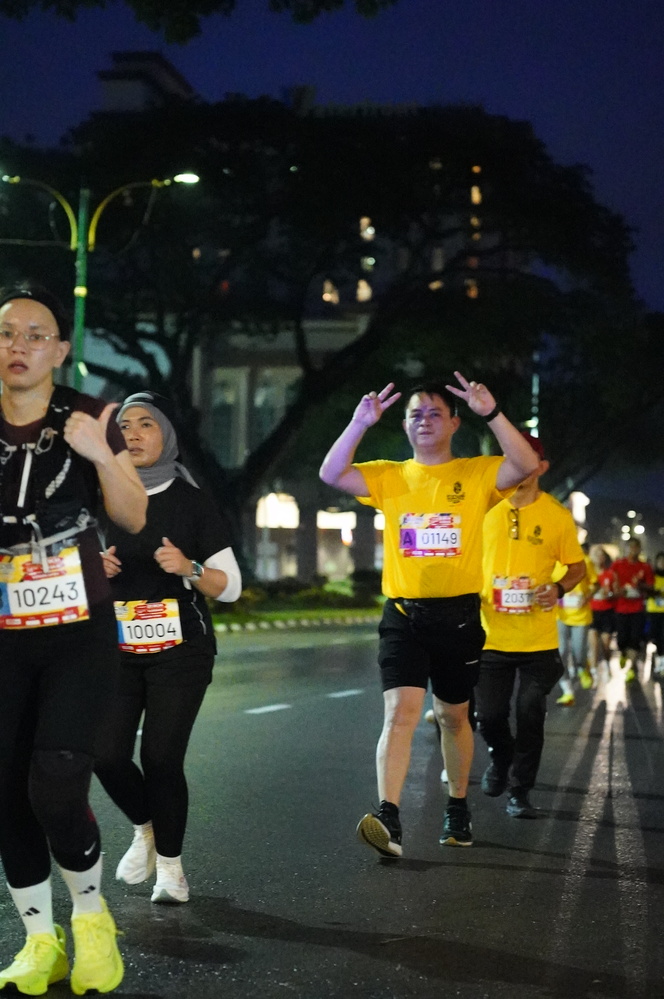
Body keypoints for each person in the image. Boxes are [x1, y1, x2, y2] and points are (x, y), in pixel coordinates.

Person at [319, 375, 539, 857]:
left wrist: (491, 412)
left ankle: (457, 806)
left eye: (435, 413)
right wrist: (359, 423)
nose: (424, 421)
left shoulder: (477, 473)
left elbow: (525, 464)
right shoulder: (389, 475)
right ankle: (389, 817)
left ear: (455, 423)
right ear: (403, 424)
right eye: (415, 414)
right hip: (403, 614)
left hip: (458, 618)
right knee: (399, 713)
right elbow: (332, 473)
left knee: (452, 716)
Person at [0, 284, 146, 996]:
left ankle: (90, 918)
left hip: (77, 630)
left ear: (59, 350)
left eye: (36, 335)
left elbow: (134, 516)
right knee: (5, 790)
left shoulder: (90, 416)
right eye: (7, 333)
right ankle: (39, 940)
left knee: (57, 782)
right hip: (3, 634)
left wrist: (102, 455)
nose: (19, 346)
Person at [94, 391, 242, 904]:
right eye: (124, 426)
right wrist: (92, 569)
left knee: (159, 757)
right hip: (115, 649)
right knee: (105, 754)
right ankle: (146, 829)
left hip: (181, 650)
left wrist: (189, 568)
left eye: (146, 425)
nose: (133, 434)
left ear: (167, 435)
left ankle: (172, 871)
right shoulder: (102, 495)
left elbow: (232, 586)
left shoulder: (191, 501)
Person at [476, 434, 585, 818]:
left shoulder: (556, 515)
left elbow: (577, 568)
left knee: (529, 711)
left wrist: (557, 588)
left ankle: (520, 791)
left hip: (538, 640)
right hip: (490, 636)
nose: (518, 465)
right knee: (489, 716)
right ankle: (500, 757)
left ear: (541, 466)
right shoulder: (485, 507)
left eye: (526, 459)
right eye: (511, 457)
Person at [555, 542, 597, 705]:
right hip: (560, 615)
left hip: (581, 616)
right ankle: (567, 691)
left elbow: (596, 584)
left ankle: (582, 667)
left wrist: (586, 598)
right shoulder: (553, 564)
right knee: (561, 652)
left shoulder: (584, 562)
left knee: (578, 651)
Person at [612, 538, 654, 682]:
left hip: (637, 608)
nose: (633, 550)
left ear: (640, 549)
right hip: (621, 608)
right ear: (626, 548)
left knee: (635, 638)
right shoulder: (618, 564)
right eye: (631, 547)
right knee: (622, 639)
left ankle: (630, 667)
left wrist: (640, 586)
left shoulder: (645, 567)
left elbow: (651, 586)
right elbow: (613, 583)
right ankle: (623, 654)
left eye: (636, 547)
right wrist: (619, 590)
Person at [588, 547, 617, 681]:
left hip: (607, 612)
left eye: (601, 555)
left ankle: (607, 663)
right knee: (593, 643)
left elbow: (616, 592)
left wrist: (609, 594)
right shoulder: (587, 574)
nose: (599, 558)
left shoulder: (610, 574)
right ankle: (594, 672)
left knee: (605, 645)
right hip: (591, 612)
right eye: (596, 555)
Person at [645, 551, 664, 677]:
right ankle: (657, 654)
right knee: (654, 636)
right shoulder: (651, 576)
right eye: (660, 561)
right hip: (653, 611)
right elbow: (646, 590)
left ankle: (662, 660)